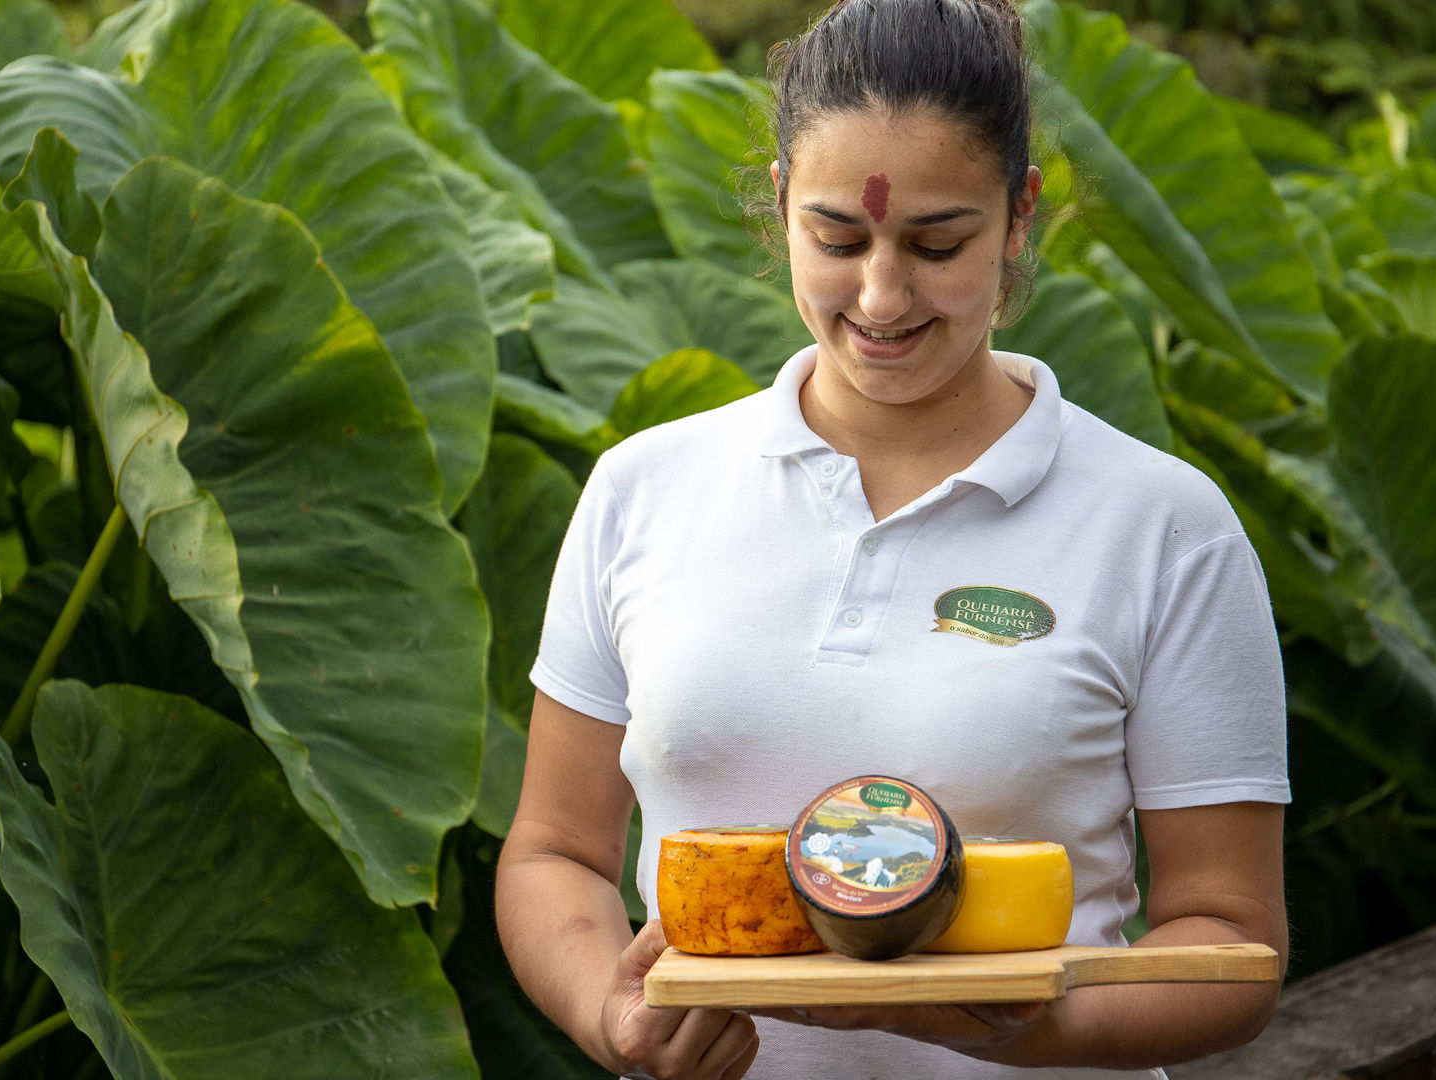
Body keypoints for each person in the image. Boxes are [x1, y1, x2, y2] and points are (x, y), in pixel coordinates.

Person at [495, 0, 1290, 1076]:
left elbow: (1231, 939)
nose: (880, 294)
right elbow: (555, 850)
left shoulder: (1165, 527)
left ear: (1020, 216)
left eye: (937, 242)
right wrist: (610, 1014)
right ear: (779, 205)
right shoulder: (645, 489)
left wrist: (1028, 1026)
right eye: (836, 236)